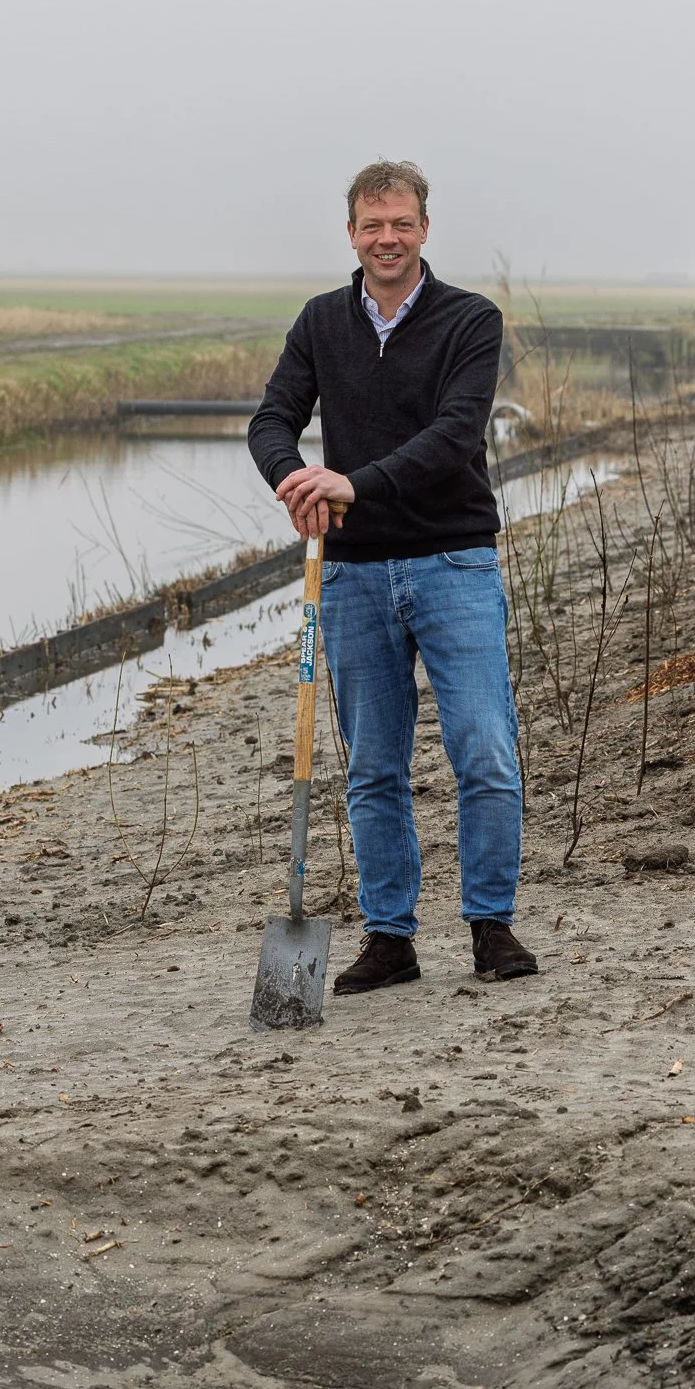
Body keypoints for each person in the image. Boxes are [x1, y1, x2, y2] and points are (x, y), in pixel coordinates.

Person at [248, 160, 539, 995]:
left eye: (401, 224)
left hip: (453, 561)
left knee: (483, 747)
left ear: (423, 229)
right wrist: (292, 478)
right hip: (353, 574)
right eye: (371, 225)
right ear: (350, 232)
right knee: (373, 765)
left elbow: (455, 433)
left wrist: (354, 482)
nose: (386, 238)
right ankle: (391, 939)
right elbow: (273, 418)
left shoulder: (468, 321)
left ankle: (491, 926)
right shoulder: (319, 323)